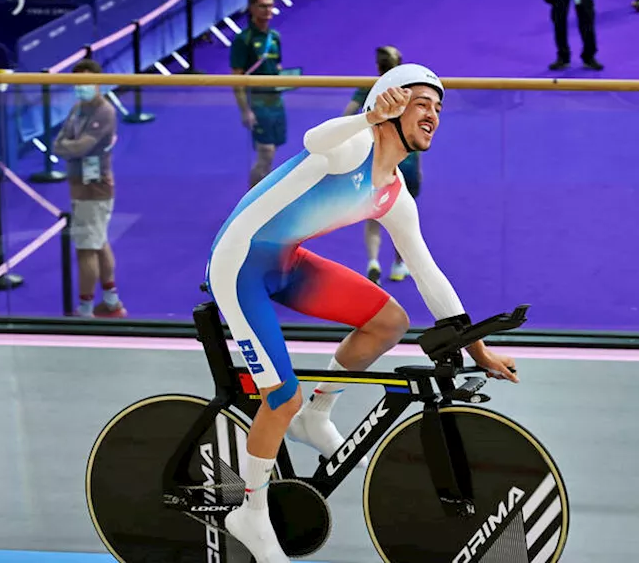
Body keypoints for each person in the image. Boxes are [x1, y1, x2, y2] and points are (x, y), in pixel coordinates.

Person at [205, 63, 518, 563]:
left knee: (389, 320)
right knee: (279, 399)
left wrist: (477, 348)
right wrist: (367, 116)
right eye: (422, 104)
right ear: (390, 106)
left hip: (286, 263)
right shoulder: (353, 147)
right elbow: (313, 138)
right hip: (239, 265)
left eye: (439, 108)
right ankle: (250, 512)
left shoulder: (394, 193)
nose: (433, 115)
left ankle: (317, 415)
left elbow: (427, 272)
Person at [341, 46, 422, 284]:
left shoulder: (370, 88)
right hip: (406, 162)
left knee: (373, 213)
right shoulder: (411, 92)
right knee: (404, 219)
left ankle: (373, 261)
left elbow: (346, 117)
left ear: (378, 67)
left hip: (377, 159)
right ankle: (399, 265)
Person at [52, 59, 126, 318]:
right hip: (79, 183)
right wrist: (67, 148)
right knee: (99, 242)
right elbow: (58, 143)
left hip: (95, 187)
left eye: (87, 81)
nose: (82, 86)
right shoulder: (77, 109)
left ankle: (84, 310)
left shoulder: (105, 111)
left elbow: (80, 146)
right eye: (78, 82)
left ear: (98, 83)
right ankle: (112, 301)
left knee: (85, 249)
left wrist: (68, 148)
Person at [230, 0, 285, 188]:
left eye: (270, 5)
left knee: (271, 154)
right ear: (252, 8)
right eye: (262, 6)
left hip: (276, 102)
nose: (267, 10)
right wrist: (245, 110)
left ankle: (262, 197)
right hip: (258, 103)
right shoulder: (243, 40)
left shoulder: (275, 37)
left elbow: (277, 67)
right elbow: (237, 79)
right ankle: (251, 203)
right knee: (266, 153)